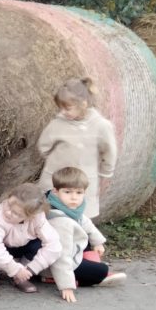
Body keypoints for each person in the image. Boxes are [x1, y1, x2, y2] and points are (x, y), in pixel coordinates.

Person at [37, 77, 117, 219]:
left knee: (80, 215)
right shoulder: (57, 124)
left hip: (83, 179)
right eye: (60, 107)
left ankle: (80, 239)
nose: (63, 112)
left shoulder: (101, 126)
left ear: (83, 104)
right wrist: (55, 162)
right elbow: (44, 146)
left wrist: (105, 173)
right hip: (55, 178)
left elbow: (109, 152)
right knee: (49, 213)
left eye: (67, 108)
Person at [44, 166, 127, 302]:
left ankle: (86, 265)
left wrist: (97, 241)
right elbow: (61, 255)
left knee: (86, 237)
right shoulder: (59, 221)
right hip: (52, 264)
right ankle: (53, 277)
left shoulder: (68, 208)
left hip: (71, 250)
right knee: (101, 270)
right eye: (68, 192)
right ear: (55, 191)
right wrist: (66, 285)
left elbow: (85, 223)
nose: (74, 197)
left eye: (79, 193)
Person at [0, 183, 62, 292]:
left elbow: (54, 245)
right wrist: (14, 269)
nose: (8, 212)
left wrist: (31, 269)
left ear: (30, 217)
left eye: (16, 213)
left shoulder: (37, 218)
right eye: (8, 205)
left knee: (37, 244)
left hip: (20, 247)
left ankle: (22, 275)